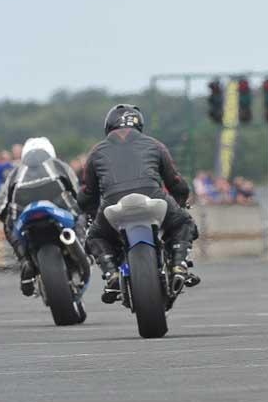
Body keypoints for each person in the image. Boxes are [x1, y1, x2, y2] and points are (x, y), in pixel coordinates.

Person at [78, 104, 200, 304]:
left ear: (109, 125)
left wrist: (91, 215)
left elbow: (87, 194)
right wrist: (179, 205)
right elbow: (176, 182)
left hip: (113, 204)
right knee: (184, 223)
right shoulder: (155, 145)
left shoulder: (96, 151)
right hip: (153, 197)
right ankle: (179, 264)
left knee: (95, 236)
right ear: (139, 124)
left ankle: (111, 274)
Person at [0, 138, 82, 296]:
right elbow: (77, 191)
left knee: (8, 224)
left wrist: (8, 219)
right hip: (58, 211)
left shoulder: (15, 172)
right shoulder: (59, 165)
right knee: (80, 212)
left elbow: (1, 208)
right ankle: (82, 245)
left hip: (26, 215)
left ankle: (24, 260)